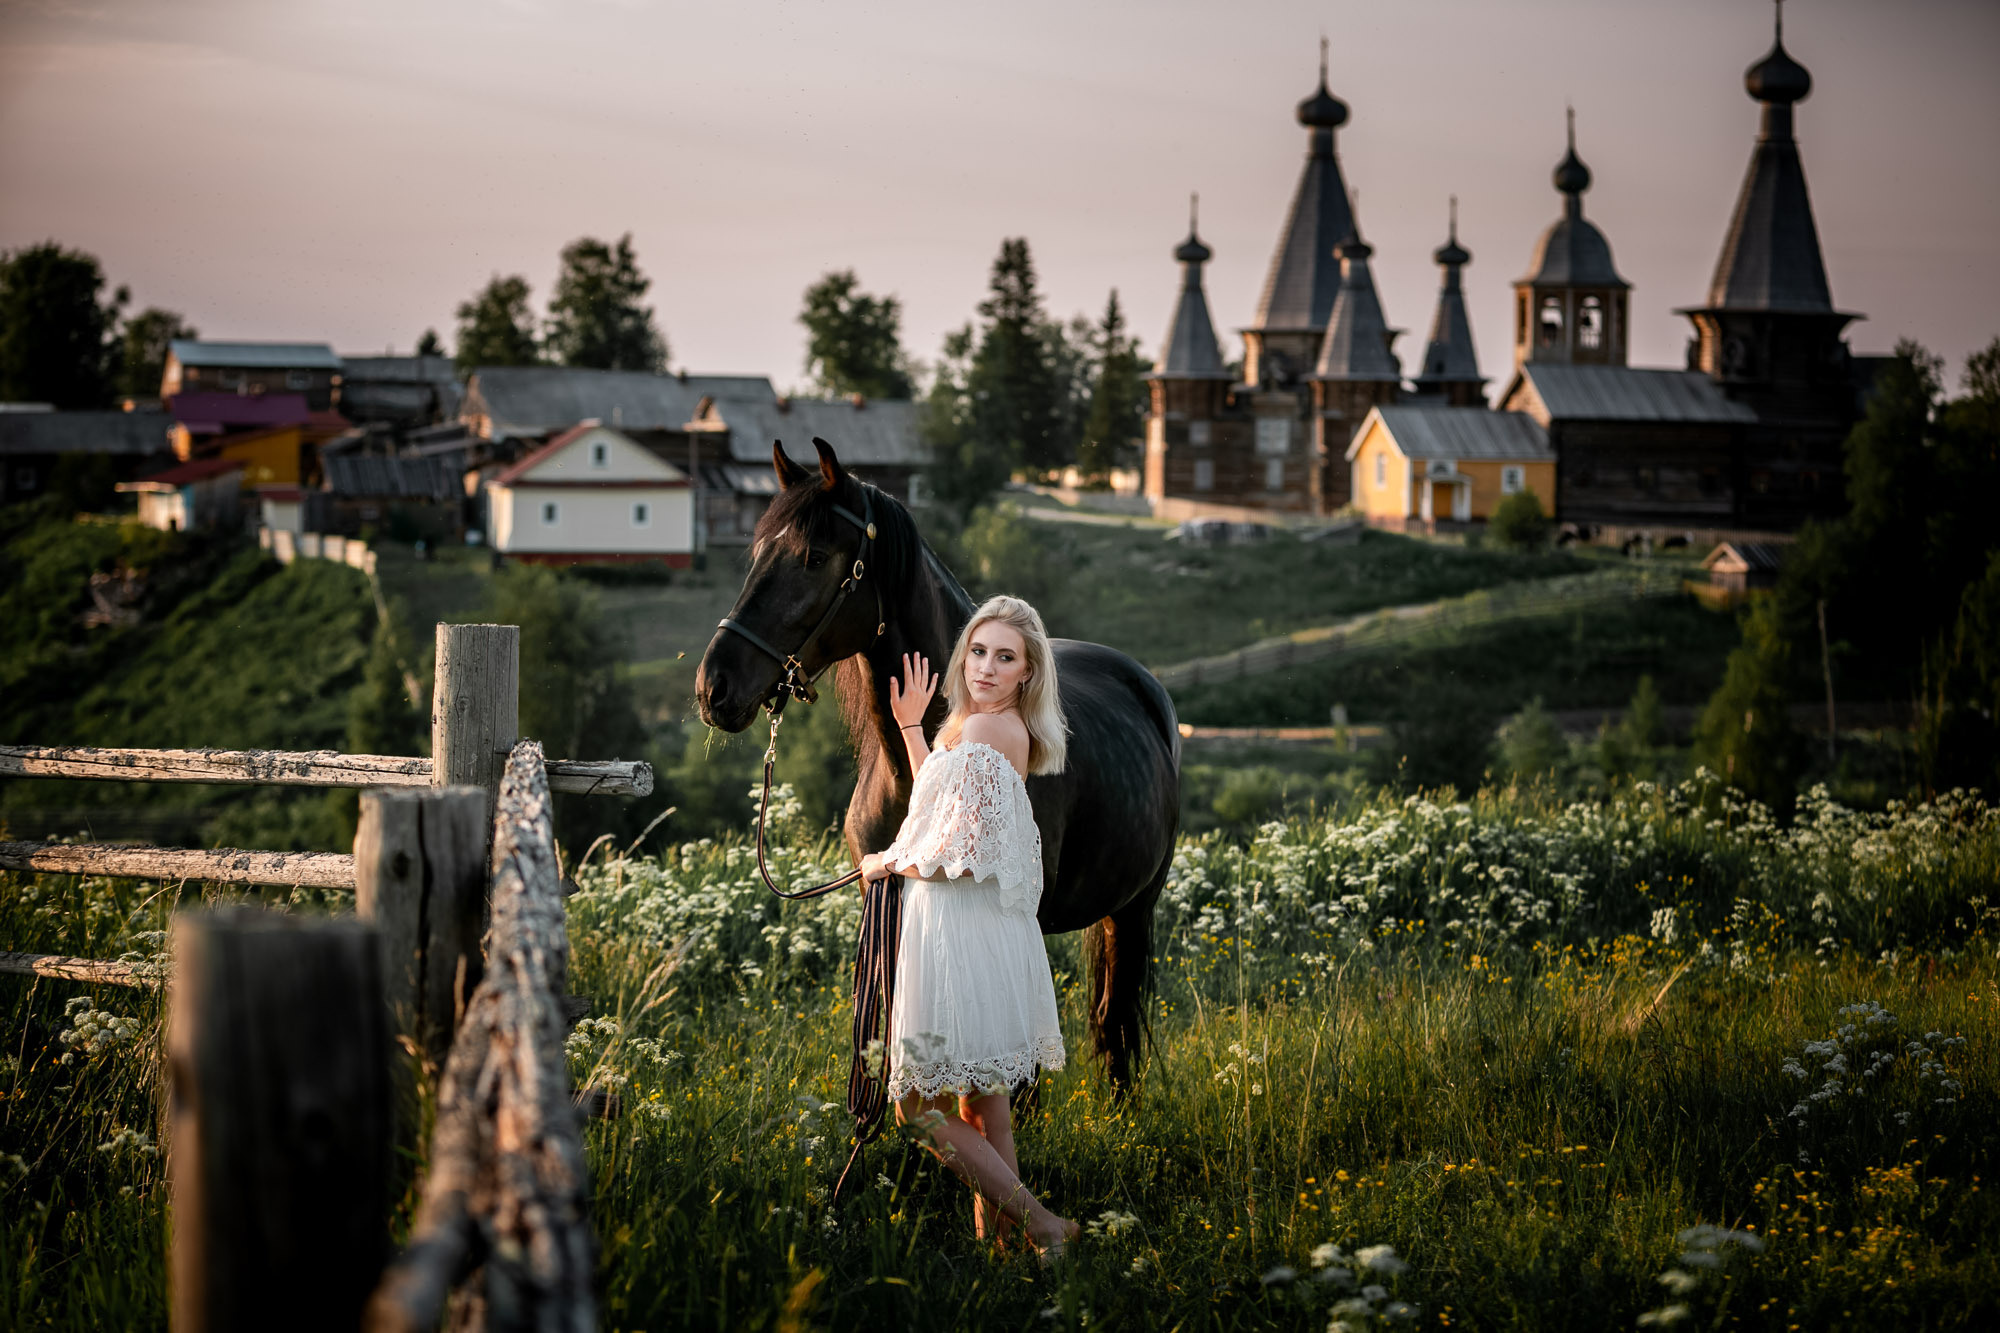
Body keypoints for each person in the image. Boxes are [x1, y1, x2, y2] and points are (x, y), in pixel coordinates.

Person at [860, 594, 1078, 1259]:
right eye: (978, 651)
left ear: (1027, 673)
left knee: (917, 1110)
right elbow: (943, 803)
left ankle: (1043, 1223)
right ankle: (1004, 1262)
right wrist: (911, 729)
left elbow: (965, 850)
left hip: (958, 928)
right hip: (973, 928)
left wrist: (887, 860)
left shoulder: (990, 731)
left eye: (1004, 657)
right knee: (985, 1109)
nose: (985, 667)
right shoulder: (980, 726)